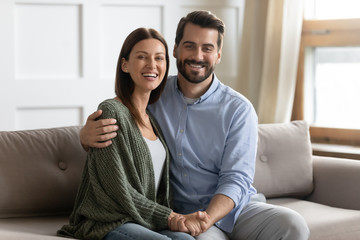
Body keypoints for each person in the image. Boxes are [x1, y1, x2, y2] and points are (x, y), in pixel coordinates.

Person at [80, 11, 310, 240]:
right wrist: (84, 136)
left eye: (207, 48)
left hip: (235, 209)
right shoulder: (153, 95)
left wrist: (207, 218)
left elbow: (236, 179)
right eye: (189, 46)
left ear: (218, 55)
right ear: (176, 49)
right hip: (182, 213)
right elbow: (121, 121)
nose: (197, 55)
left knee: (293, 224)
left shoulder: (238, 109)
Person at [57, 27, 206, 240]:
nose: (152, 65)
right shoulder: (111, 111)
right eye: (142, 57)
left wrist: (172, 220)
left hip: (144, 221)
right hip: (109, 220)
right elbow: (117, 189)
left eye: (159, 58)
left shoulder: (152, 119)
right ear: (125, 64)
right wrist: (172, 218)